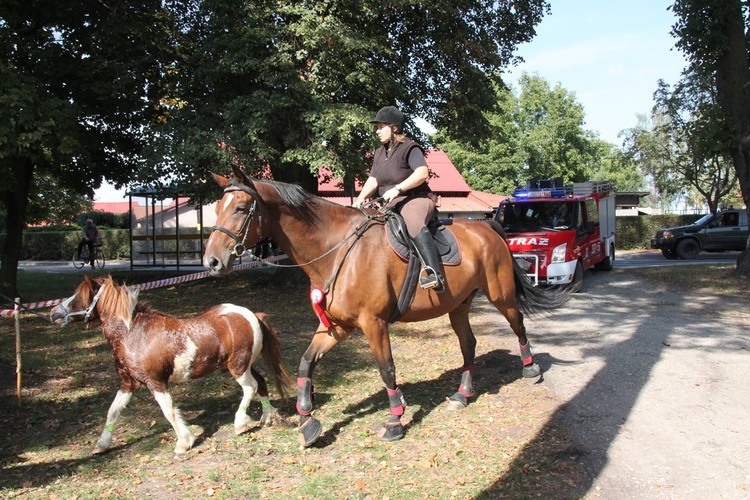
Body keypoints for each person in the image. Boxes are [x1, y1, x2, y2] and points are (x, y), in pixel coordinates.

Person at [353, 105, 444, 292]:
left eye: (381, 126)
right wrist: (360, 199)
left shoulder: (410, 147)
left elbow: (422, 173)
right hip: (390, 203)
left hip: (414, 199)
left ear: (394, 127)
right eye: (377, 127)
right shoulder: (380, 152)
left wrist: (398, 188)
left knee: (413, 223)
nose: (377, 131)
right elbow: (374, 179)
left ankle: (434, 273)